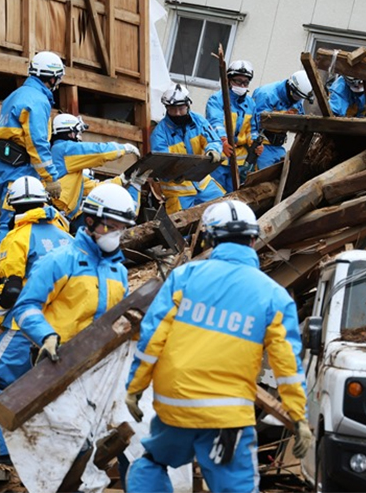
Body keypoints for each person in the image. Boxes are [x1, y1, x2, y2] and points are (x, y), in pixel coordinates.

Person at [124, 200, 312, 493]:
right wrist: (298, 416)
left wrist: (135, 388)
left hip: (175, 406)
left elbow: (152, 337)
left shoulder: (184, 278)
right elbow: (287, 365)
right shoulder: (274, 297)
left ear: (210, 239)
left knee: (152, 462)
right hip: (227, 418)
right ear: (253, 239)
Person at [0, 176, 72, 460]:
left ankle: (2, 454)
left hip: (25, 328)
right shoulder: (68, 237)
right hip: (64, 330)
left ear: (12, 206)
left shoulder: (17, 237)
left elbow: (11, 292)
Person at [11, 182, 134, 346]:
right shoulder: (59, 261)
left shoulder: (118, 271)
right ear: (90, 221)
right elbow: (25, 306)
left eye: (121, 228)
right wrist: (46, 336)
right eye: (110, 227)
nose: (115, 234)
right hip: (57, 361)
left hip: (99, 361)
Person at [0, 51, 65, 250]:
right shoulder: (38, 101)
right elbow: (37, 142)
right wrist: (50, 178)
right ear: (52, 78)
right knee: (11, 219)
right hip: (17, 170)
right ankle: (4, 272)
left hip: (4, 164)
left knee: (17, 218)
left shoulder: (15, 96)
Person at [49, 113, 146, 231]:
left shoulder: (67, 164)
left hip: (64, 217)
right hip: (57, 217)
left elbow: (93, 188)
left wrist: (121, 180)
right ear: (70, 132)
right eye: (78, 132)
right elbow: (97, 152)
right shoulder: (63, 149)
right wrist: (123, 149)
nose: (79, 136)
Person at [151, 83, 226, 214]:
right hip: (177, 190)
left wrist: (213, 150)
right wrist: (173, 173)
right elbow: (162, 164)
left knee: (225, 207)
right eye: (173, 109)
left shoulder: (198, 121)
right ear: (167, 108)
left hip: (203, 183)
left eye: (181, 108)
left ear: (188, 105)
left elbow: (213, 139)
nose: (178, 113)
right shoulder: (159, 134)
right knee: (179, 227)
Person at [206, 60, 263, 192]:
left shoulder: (251, 103)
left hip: (239, 161)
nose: (242, 85)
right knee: (215, 194)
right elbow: (215, 123)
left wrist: (255, 144)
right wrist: (223, 140)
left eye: (246, 82)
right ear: (228, 80)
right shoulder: (217, 99)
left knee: (234, 195)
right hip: (219, 157)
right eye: (238, 81)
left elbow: (253, 129)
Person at [252, 70, 313, 168]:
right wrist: (283, 116)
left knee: (285, 172)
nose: (297, 100)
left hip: (278, 147)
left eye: (300, 98)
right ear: (291, 87)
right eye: (297, 96)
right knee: (262, 178)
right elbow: (256, 121)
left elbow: (300, 121)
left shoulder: (297, 99)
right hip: (262, 145)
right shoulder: (266, 94)